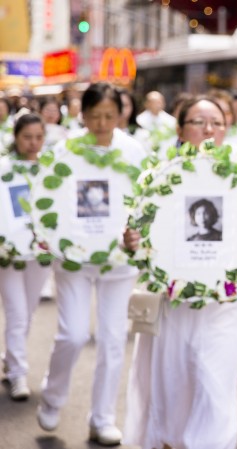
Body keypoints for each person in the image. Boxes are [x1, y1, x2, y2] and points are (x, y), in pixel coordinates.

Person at [124, 96, 237, 449]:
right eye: (198, 122)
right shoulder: (158, 177)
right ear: (179, 129)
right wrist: (131, 237)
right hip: (172, 301)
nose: (209, 130)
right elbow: (136, 234)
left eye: (217, 123)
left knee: (215, 387)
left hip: (222, 302)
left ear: (226, 128)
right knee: (171, 388)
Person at [36, 83, 146, 446]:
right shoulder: (64, 151)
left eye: (109, 116)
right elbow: (45, 198)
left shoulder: (134, 152)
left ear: (121, 115)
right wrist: (49, 232)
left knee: (114, 339)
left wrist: (138, 235)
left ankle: (102, 418)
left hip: (119, 261)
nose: (102, 123)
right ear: (81, 115)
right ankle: (52, 397)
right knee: (73, 333)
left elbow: (148, 204)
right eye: (94, 116)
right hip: (73, 258)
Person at [0, 114, 51, 400]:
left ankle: (10, 359)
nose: (33, 143)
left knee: (28, 311)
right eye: (27, 137)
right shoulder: (3, 168)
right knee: (17, 312)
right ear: (16, 137)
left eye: (38, 137)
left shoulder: (51, 169)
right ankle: (18, 373)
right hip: (8, 253)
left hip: (39, 252)